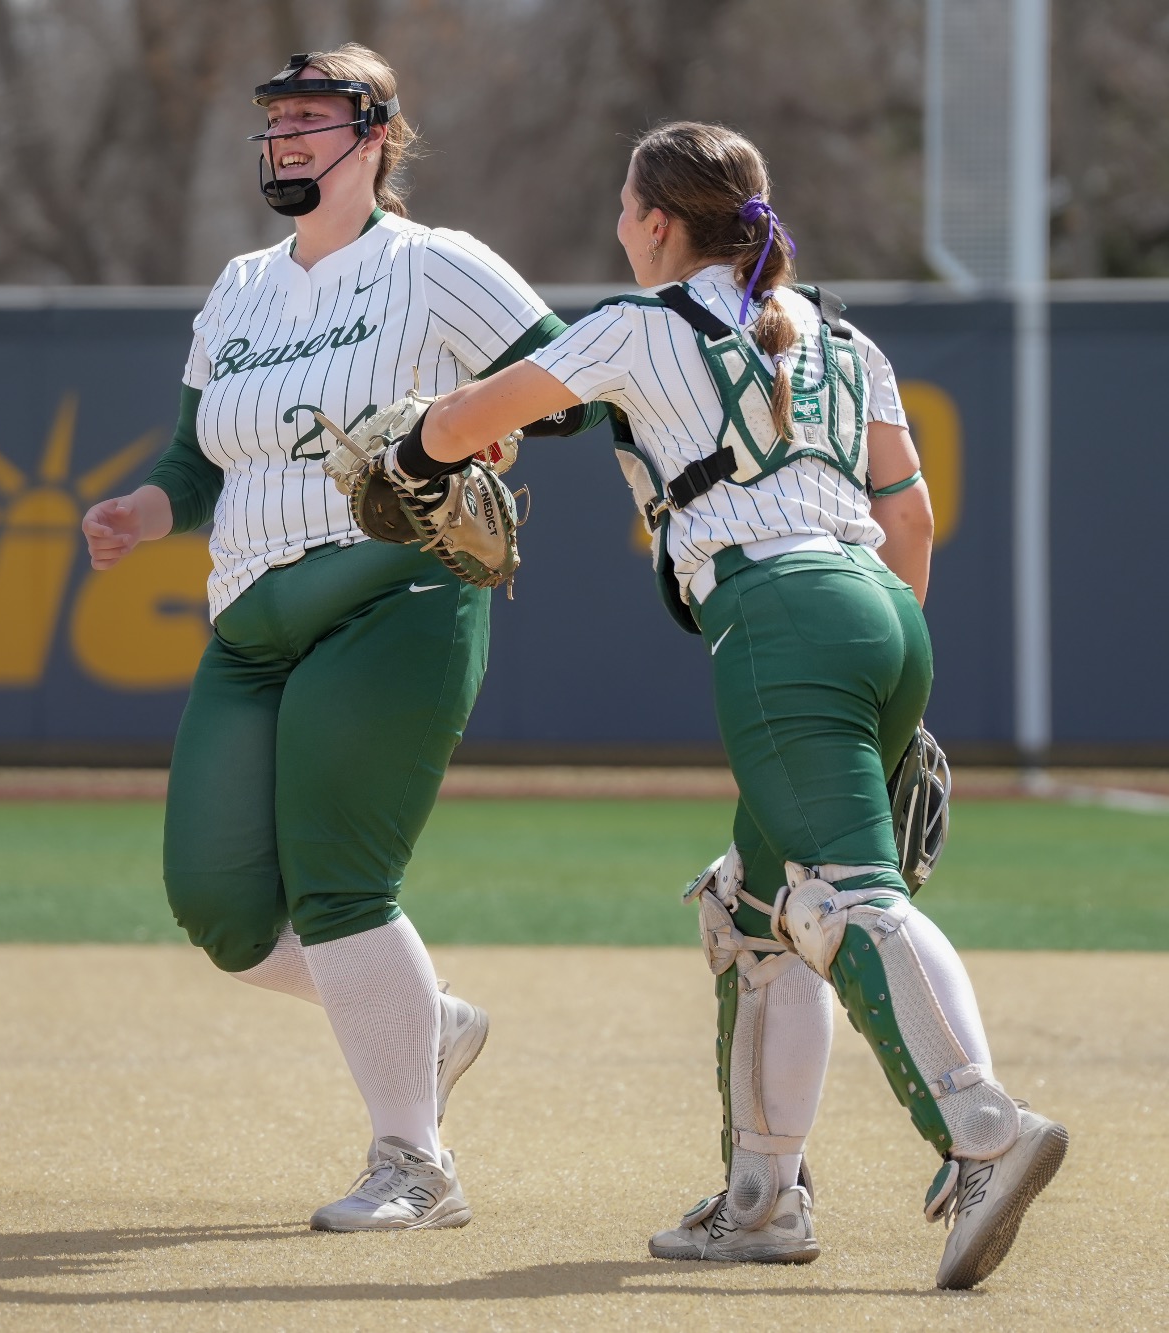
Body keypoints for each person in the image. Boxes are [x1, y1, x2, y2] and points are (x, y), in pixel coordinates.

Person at [379, 121, 1067, 1288]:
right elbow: (908, 524)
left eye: (621, 208)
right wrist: (880, 680)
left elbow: (454, 427)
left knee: (841, 893)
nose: (615, 226)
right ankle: (760, 1201)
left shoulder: (638, 323)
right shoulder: (842, 339)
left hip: (776, 617)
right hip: (879, 617)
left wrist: (413, 453)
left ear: (655, 221)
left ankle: (983, 1133)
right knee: (749, 913)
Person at [82, 46, 577, 1231]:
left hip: (391, 590)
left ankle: (415, 1161)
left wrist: (477, 429)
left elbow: (569, 383)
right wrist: (143, 509)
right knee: (221, 910)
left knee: (346, 885)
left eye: (313, 117)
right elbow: (196, 456)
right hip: (249, 623)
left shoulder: (435, 266)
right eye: (276, 120)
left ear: (376, 137)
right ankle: (426, 1021)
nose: (287, 136)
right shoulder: (242, 285)